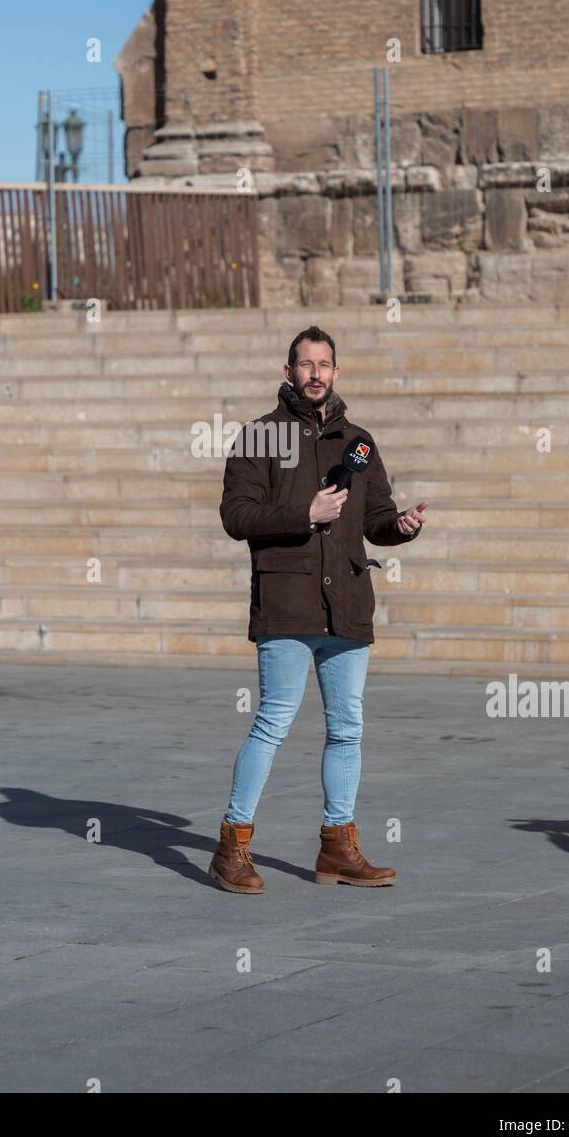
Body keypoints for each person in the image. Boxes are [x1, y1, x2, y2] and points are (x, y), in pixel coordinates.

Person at [209, 325, 428, 894]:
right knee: (273, 722)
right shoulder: (260, 437)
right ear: (289, 373)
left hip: (347, 604)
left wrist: (400, 527)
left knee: (347, 728)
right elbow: (236, 516)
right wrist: (302, 512)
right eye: (305, 365)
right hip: (287, 602)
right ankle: (232, 845)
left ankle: (337, 846)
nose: (314, 373)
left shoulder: (358, 441)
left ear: (336, 372)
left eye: (324, 364)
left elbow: (375, 518)